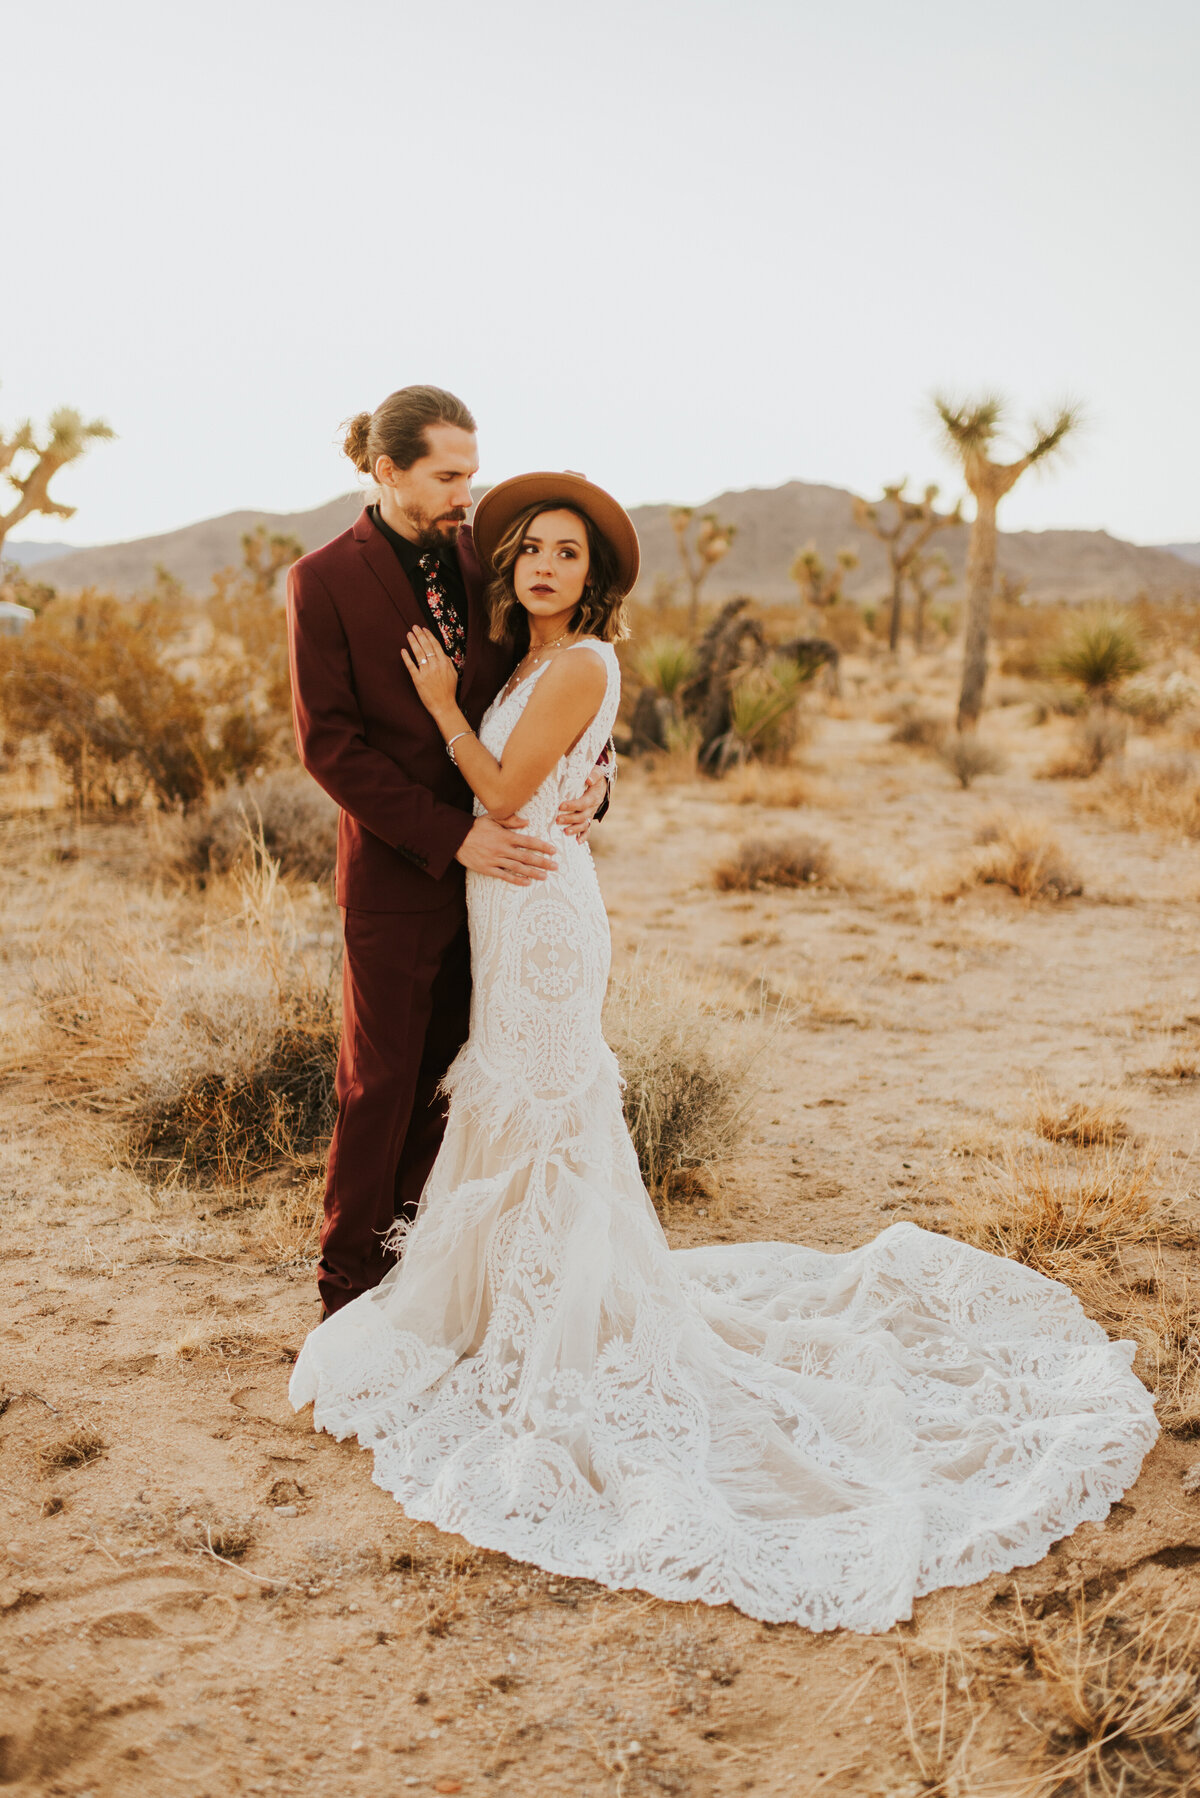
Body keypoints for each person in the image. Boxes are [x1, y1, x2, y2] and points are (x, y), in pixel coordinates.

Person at [290, 472, 1156, 1633]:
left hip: (542, 914)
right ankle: (512, 1303)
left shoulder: (580, 663)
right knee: (510, 1100)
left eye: (568, 555)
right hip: (511, 904)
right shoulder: (528, 659)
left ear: (595, 580)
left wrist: (451, 709)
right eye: (533, 550)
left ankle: (563, 1323)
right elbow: (539, 776)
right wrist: (565, 772)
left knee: (545, 1105)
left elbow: (498, 784)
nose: (546, 566)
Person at [286, 388, 609, 1317]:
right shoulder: (323, 580)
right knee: (379, 1082)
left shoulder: (485, 561)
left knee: (465, 1076)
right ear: (387, 473)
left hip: (507, 886)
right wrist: (450, 833)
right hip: (399, 875)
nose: (471, 489)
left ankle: (433, 1274)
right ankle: (348, 1289)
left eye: (472, 469)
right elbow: (330, 745)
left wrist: (597, 776)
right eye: (449, 475)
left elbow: (550, 682)